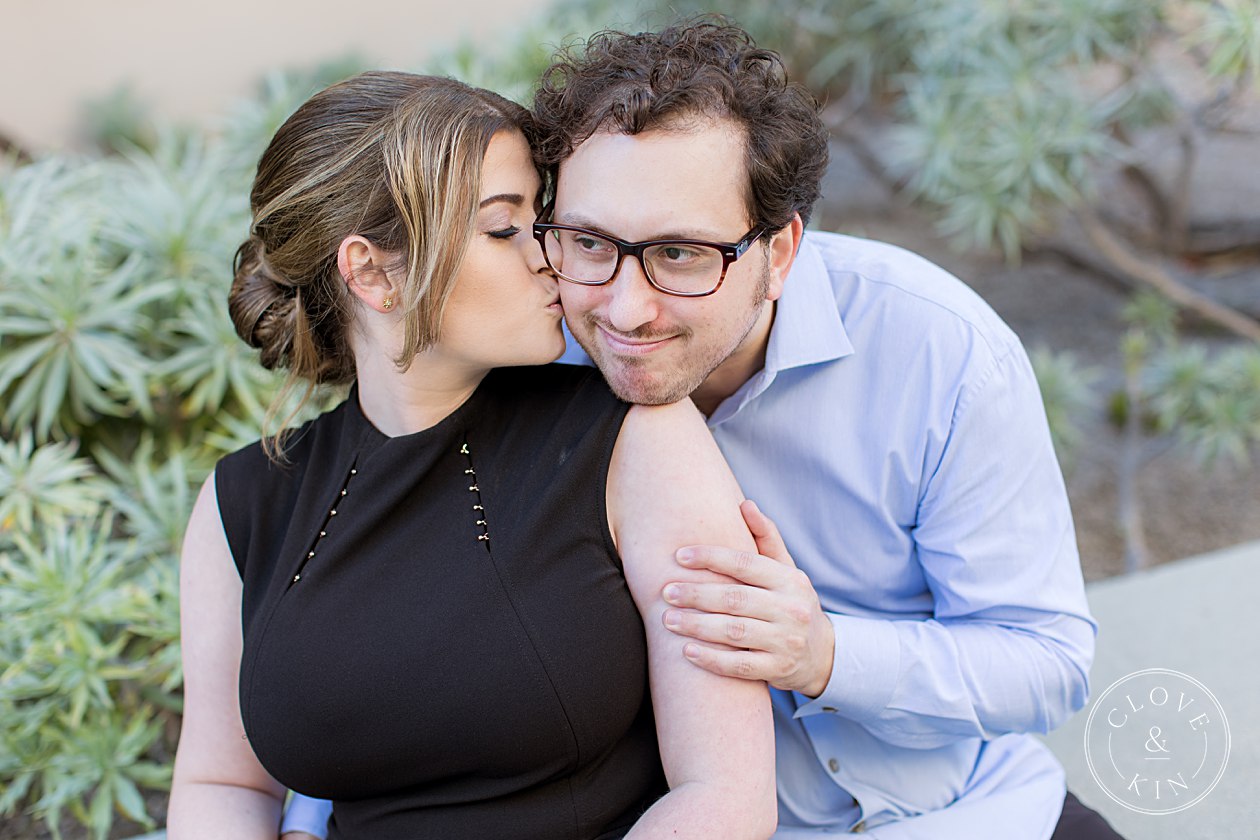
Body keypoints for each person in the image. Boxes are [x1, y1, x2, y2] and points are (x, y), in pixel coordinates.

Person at [281, 23, 1126, 840]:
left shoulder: (939, 352)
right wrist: (314, 813)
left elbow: (1045, 660)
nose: (624, 309)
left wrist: (823, 654)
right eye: (587, 242)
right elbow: (385, 603)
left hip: (969, 816)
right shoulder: (529, 357)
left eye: (682, 255)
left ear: (782, 251)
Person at [167, 70, 777, 840]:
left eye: (541, 222)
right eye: (503, 229)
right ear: (374, 273)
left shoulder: (633, 439)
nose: (549, 258)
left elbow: (726, 796)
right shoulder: (245, 502)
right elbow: (222, 780)